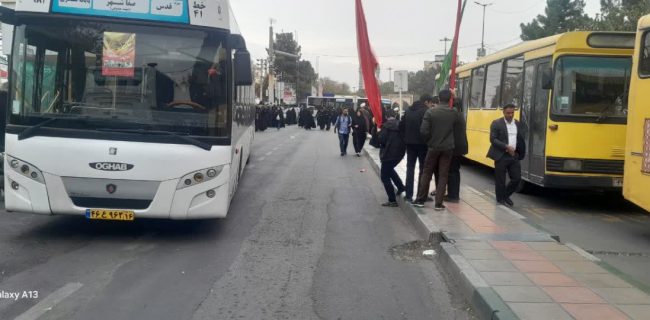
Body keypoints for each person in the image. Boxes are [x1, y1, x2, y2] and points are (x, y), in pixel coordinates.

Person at [412, 89, 463, 211]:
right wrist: (455, 98)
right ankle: (438, 204)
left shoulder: (430, 112)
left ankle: (420, 199)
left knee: (427, 172)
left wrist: (430, 141)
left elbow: (423, 131)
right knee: (443, 175)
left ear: (439, 99)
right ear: (449, 99)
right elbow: (459, 111)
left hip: (433, 147)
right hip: (448, 148)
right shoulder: (453, 112)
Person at [486, 104, 526, 206]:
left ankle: (505, 195)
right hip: (501, 155)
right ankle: (500, 200)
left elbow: (520, 139)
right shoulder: (496, 123)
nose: (510, 115)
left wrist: (519, 153)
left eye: (512, 113)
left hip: (514, 155)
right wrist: (506, 147)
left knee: (516, 179)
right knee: (500, 180)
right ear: (503, 112)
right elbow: (493, 139)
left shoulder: (517, 123)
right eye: (508, 113)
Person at [399, 95, 433, 202]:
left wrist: (406, 138)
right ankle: (421, 195)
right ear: (426, 102)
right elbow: (428, 129)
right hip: (423, 145)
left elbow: (401, 126)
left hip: (410, 144)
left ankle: (408, 195)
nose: (431, 105)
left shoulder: (408, 110)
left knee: (410, 168)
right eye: (430, 103)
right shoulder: (426, 111)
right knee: (423, 170)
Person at [378, 109, 406, 207]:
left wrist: (378, 133)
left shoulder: (386, 126)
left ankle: (392, 200)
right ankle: (401, 187)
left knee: (384, 176)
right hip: (400, 153)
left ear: (386, 117)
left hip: (388, 154)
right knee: (389, 170)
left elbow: (382, 140)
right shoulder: (401, 124)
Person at [447, 100, 468, 202]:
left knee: (452, 171)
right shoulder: (460, 115)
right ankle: (453, 194)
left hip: (454, 147)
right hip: (459, 147)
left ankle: (453, 196)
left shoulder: (455, 115)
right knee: (454, 171)